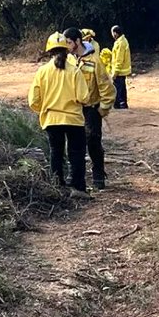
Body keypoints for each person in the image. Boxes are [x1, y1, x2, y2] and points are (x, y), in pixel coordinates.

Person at [28, 32, 91, 198]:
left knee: (56, 153)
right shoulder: (75, 71)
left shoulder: (42, 72)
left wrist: (45, 109)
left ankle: (57, 187)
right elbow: (84, 97)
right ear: (66, 50)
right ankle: (78, 188)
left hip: (51, 119)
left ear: (48, 52)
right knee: (76, 153)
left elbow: (33, 100)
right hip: (74, 120)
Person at [64, 27, 115, 190]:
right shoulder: (69, 61)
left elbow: (106, 87)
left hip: (92, 109)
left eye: (69, 42)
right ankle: (75, 177)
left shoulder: (95, 60)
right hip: (75, 109)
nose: (66, 45)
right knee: (74, 144)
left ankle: (98, 176)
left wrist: (102, 110)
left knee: (93, 142)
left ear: (77, 41)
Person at [110, 25, 131, 109]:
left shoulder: (120, 43)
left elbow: (119, 59)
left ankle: (118, 104)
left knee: (118, 88)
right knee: (122, 87)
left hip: (120, 71)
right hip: (122, 70)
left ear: (115, 33)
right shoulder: (121, 41)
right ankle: (123, 103)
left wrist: (115, 73)